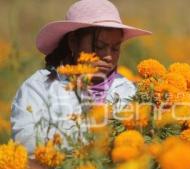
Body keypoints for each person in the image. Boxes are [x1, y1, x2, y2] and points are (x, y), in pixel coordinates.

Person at [10, 0, 151, 154]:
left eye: (115, 48)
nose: (108, 56)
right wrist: (93, 142)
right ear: (73, 43)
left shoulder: (129, 91)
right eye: (100, 46)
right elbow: (27, 143)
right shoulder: (39, 87)